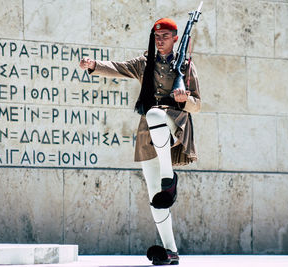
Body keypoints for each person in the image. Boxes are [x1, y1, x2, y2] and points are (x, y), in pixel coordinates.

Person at [79, 17, 200, 265]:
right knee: (156, 197)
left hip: (173, 125)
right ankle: (171, 251)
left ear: (176, 38)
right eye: (157, 36)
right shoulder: (145, 63)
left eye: (165, 36)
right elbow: (118, 67)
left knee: (155, 112)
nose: (160, 40)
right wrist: (93, 65)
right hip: (148, 135)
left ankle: (170, 176)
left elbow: (197, 104)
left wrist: (183, 97)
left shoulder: (186, 65)